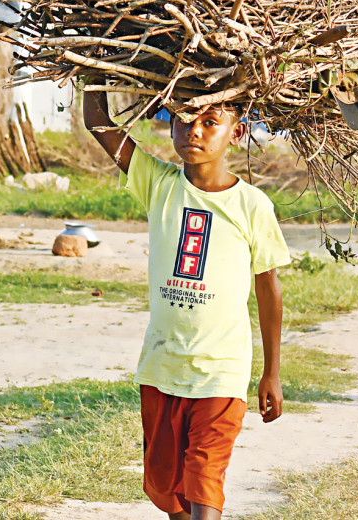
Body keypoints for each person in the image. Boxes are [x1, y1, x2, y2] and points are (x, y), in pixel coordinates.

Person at [83, 92, 291, 520]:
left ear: (236, 132)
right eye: (182, 119)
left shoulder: (252, 205)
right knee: (168, 489)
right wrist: (95, 69)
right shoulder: (158, 184)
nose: (193, 130)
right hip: (162, 365)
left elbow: (269, 290)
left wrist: (271, 372)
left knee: (205, 480)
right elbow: (97, 121)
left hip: (222, 370)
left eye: (209, 121)